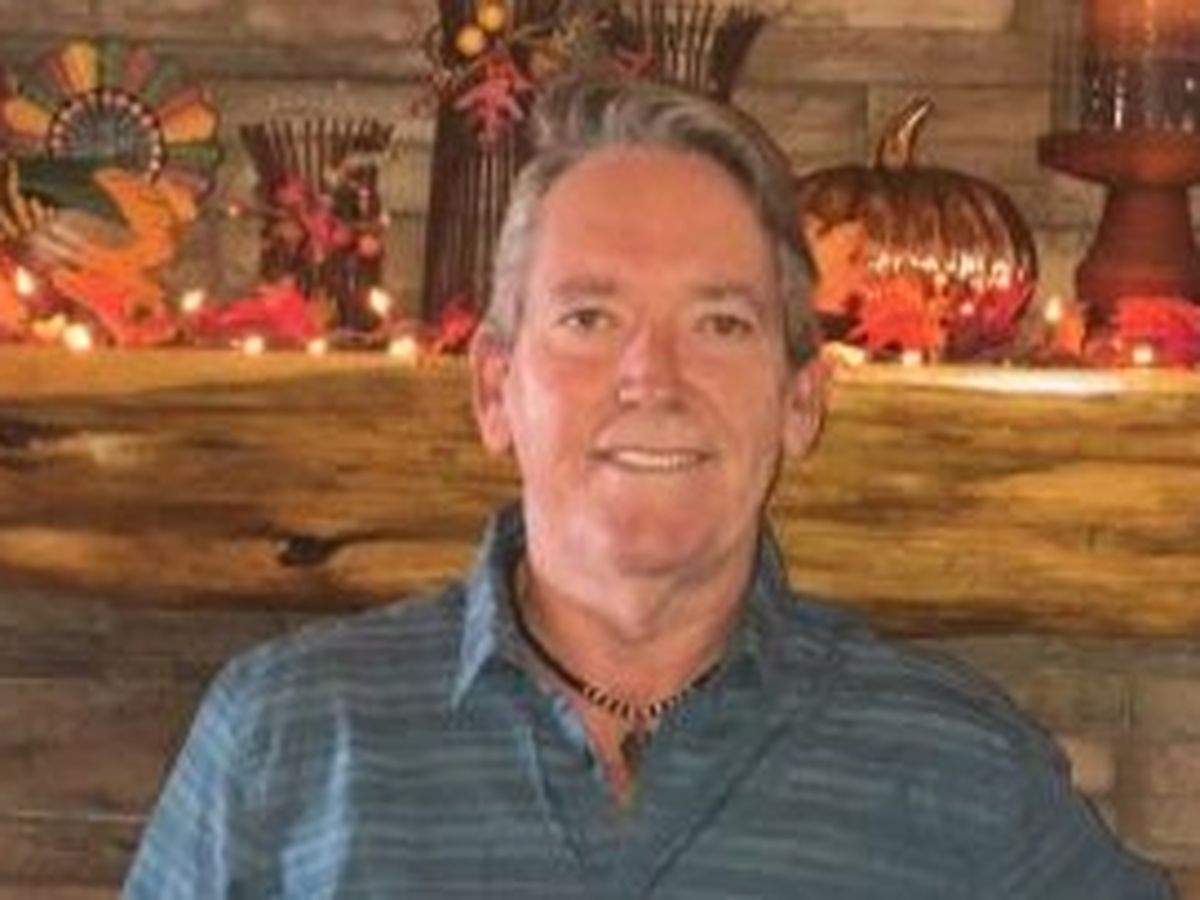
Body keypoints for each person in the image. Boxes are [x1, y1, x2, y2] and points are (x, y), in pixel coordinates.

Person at [123, 76, 1173, 898]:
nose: (653, 379)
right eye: (590, 319)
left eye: (721, 323)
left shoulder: (959, 767)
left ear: (800, 400)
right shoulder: (285, 737)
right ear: (494, 388)